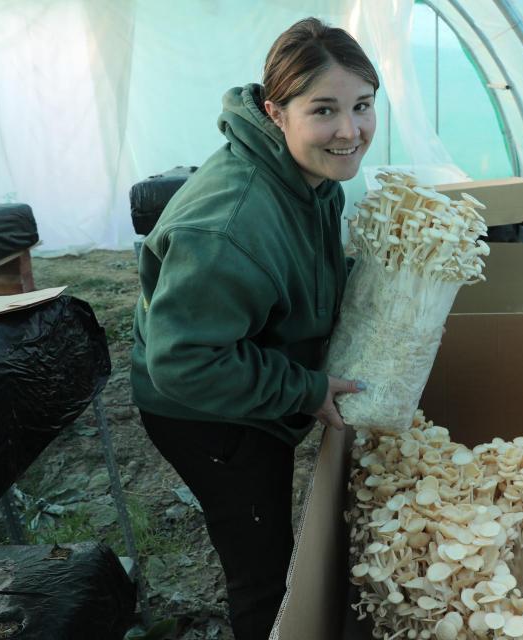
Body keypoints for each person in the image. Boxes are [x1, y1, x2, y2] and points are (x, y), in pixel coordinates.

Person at [129, 17, 378, 640]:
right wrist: (304, 390)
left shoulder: (313, 176)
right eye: (324, 110)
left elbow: (302, 270)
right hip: (204, 410)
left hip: (243, 372)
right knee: (262, 570)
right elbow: (187, 361)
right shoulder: (229, 224)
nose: (350, 131)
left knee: (271, 538)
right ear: (277, 110)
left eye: (363, 106)